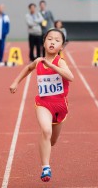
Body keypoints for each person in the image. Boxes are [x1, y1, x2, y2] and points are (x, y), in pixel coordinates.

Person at [9, 29, 74, 182]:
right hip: (43, 103)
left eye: (57, 40)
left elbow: (70, 77)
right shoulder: (38, 61)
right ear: (44, 42)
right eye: (49, 39)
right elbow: (28, 68)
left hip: (60, 106)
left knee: (52, 141)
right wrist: (15, 82)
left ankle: (46, 150)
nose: (52, 42)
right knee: (45, 130)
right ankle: (46, 167)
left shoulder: (60, 62)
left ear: (61, 47)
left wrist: (53, 67)